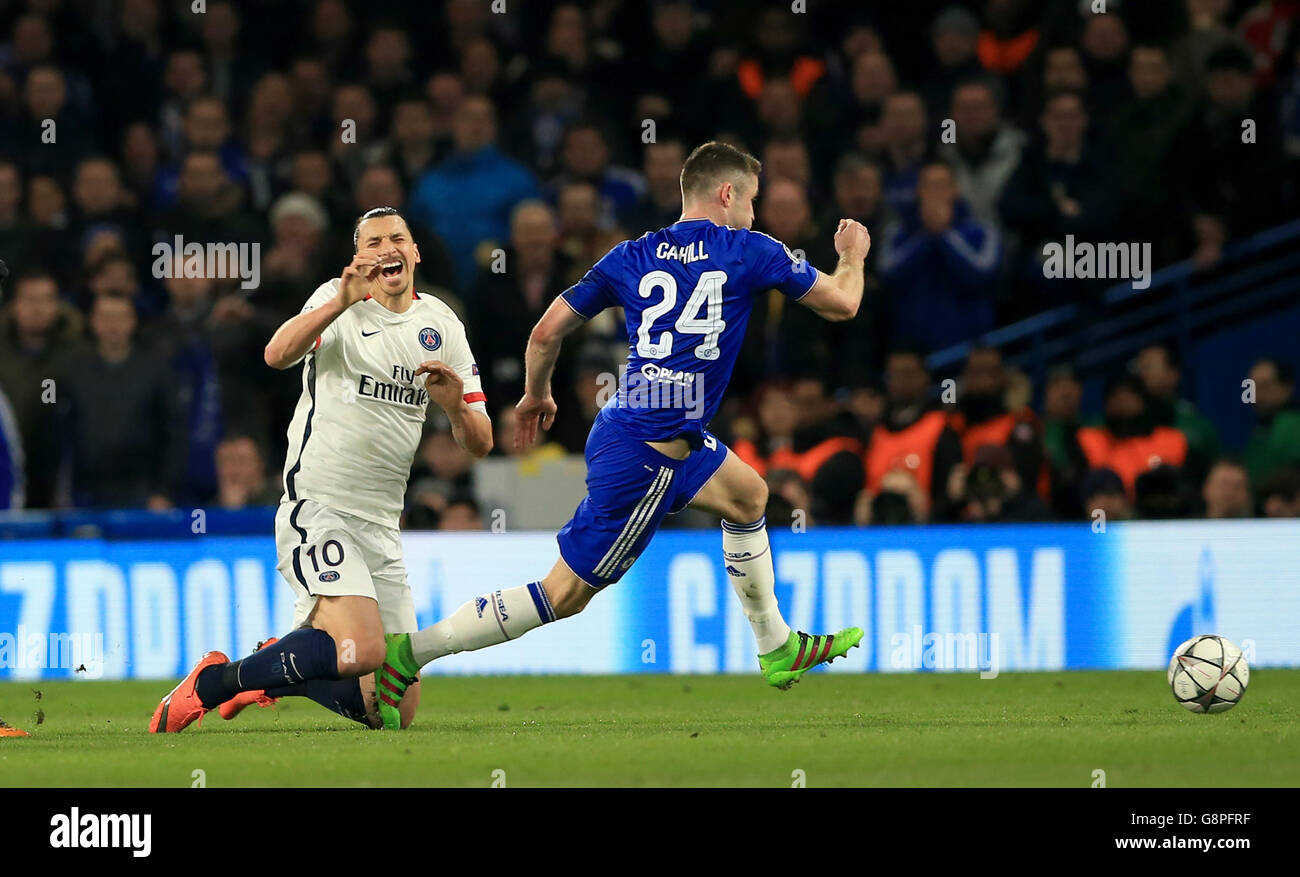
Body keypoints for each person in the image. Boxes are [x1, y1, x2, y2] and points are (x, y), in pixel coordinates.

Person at [374, 141, 871, 728]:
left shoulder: (631, 254)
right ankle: (411, 653)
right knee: (563, 596)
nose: (755, 216)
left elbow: (544, 333)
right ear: (728, 194)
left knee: (749, 496)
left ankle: (777, 646)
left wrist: (536, 394)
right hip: (648, 453)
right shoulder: (749, 249)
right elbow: (842, 305)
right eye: (753, 202)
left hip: (640, 423)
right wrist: (853, 255)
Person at [149, 206, 493, 733]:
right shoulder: (337, 301)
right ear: (359, 258)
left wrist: (451, 406)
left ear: (416, 251)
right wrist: (339, 300)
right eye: (373, 242)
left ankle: (280, 666)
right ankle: (215, 682)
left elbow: (481, 442)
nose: (387, 249)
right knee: (359, 650)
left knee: (394, 712)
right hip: (319, 504)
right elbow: (275, 354)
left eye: (396, 238)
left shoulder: (442, 324)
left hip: (382, 522)